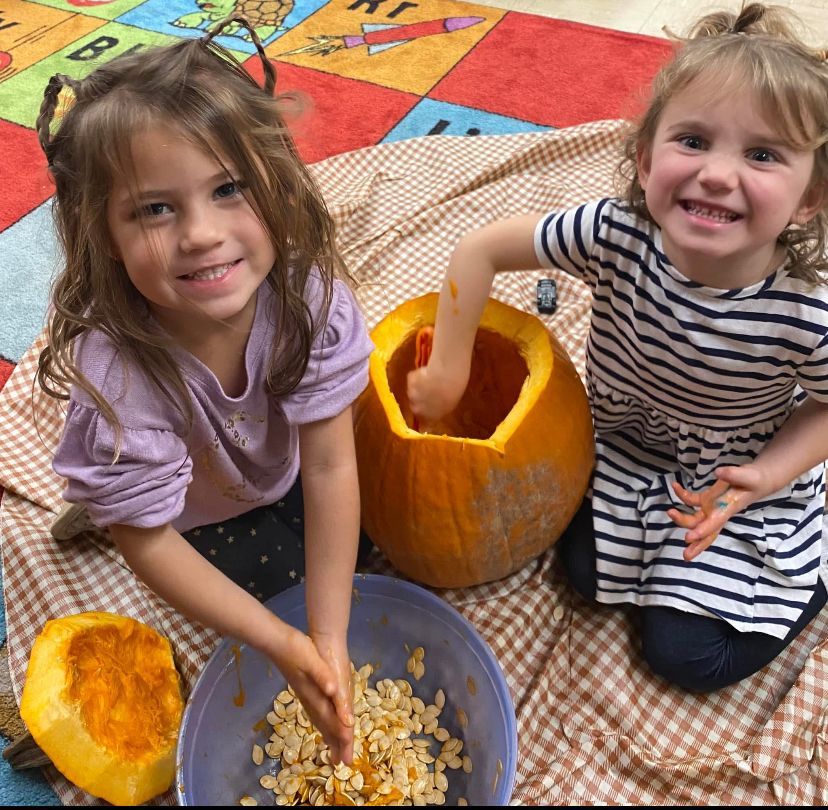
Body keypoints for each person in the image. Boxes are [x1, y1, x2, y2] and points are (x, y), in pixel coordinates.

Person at [407, 3, 828, 691]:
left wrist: (770, 475)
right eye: (692, 141)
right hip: (627, 451)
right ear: (643, 159)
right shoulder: (611, 234)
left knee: (684, 658)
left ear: (810, 198)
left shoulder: (802, 314)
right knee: (585, 576)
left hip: (734, 484)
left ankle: (812, 576)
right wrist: (449, 366)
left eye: (761, 155)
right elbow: (479, 250)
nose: (718, 175)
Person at [35, 15, 373, 763]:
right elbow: (151, 544)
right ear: (102, 233)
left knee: (375, 548)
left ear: (277, 183)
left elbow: (329, 465)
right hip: (194, 516)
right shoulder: (118, 374)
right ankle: (113, 496)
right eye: (155, 208)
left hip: (279, 471)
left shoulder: (309, 299)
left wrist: (330, 636)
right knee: (264, 585)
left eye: (229, 189)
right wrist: (284, 639)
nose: (201, 234)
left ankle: (119, 491)